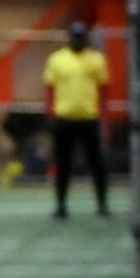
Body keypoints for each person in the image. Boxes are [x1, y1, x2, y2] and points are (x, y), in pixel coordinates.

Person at [44, 21, 111, 219]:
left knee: (97, 163)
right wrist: (51, 116)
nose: (78, 40)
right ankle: (61, 205)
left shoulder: (97, 60)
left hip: (89, 119)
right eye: (75, 36)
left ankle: (102, 204)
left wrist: (104, 119)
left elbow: (104, 90)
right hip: (64, 119)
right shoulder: (57, 59)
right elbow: (50, 89)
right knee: (62, 164)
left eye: (81, 37)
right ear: (69, 37)